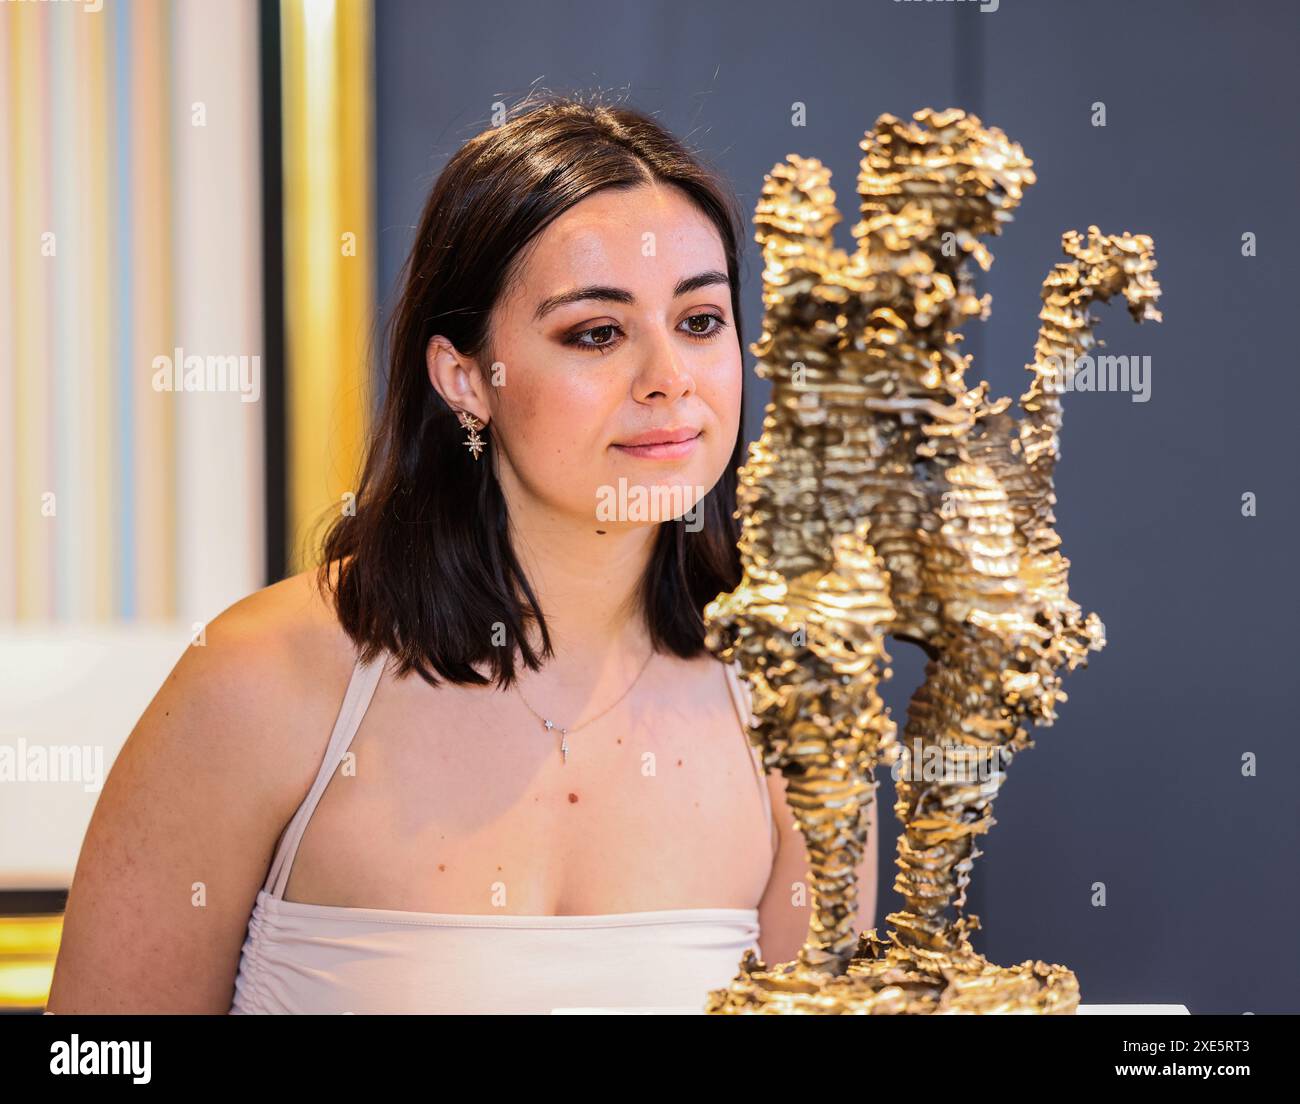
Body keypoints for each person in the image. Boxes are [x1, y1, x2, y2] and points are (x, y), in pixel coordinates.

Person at [45, 92, 876, 1013]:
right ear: (465, 377)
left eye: (700, 320)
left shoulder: (802, 704)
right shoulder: (263, 677)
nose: (669, 380)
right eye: (597, 333)